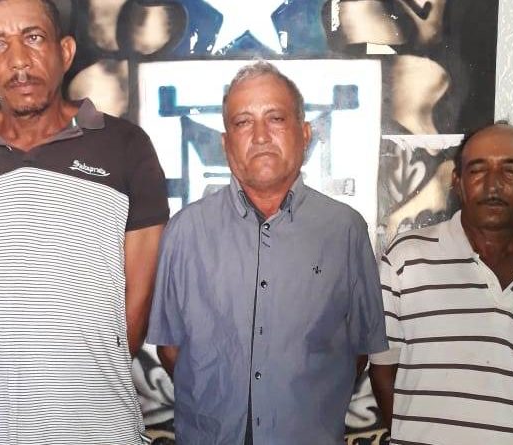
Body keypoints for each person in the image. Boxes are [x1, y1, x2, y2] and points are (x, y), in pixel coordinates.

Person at [0, 0, 168, 443]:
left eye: (33, 37)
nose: (18, 60)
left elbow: (136, 306)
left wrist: (82, 375)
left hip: (98, 426)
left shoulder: (125, 146)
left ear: (65, 51)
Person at [146, 61, 388, 445]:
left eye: (275, 118)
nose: (260, 136)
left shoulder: (345, 231)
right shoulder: (185, 233)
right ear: (225, 143)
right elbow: (171, 351)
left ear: (304, 133)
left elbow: (358, 351)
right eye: (243, 122)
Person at [369, 122, 513, 444]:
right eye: (477, 170)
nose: (492, 185)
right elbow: (382, 369)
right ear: (457, 181)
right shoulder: (406, 260)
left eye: (511, 170)